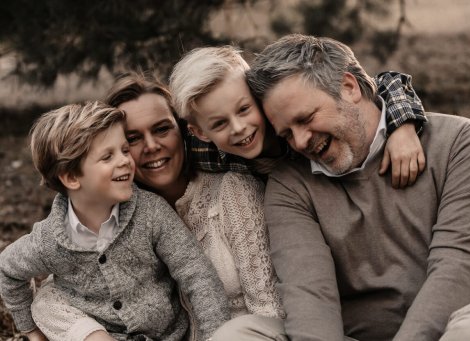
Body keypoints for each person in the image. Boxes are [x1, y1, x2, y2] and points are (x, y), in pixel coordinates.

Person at [244, 34, 470, 341]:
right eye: (287, 134)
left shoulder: (459, 143)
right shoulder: (290, 184)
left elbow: (459, 266)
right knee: (241, 333)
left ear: (349, 87)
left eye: (306, 119)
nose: (300, 142)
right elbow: (310, 295)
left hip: (451, 328)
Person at [29, 73, 286, 341]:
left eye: (162, 129)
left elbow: (269, 310)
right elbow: (52, 295)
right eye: (133, 138)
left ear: (184, 130)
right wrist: (89, 335)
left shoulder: (232, 192)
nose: (152, 146)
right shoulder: (124, 216)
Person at [0, 102, 230, 341]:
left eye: (124, 150)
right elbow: (8, 270)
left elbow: (197, 274)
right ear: (71, 177)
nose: (125, 161)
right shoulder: (49, 240)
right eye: (108, 156)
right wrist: (30, 330)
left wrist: (215, 335)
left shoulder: (151, 213)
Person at [169, 45, 426, 187]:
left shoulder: (292, 119)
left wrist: (402, 125)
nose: (238, 128)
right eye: (219, 123)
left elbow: (384, 82)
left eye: (244, 109)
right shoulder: (205, 149)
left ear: (257, 95)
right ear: (202, 133)